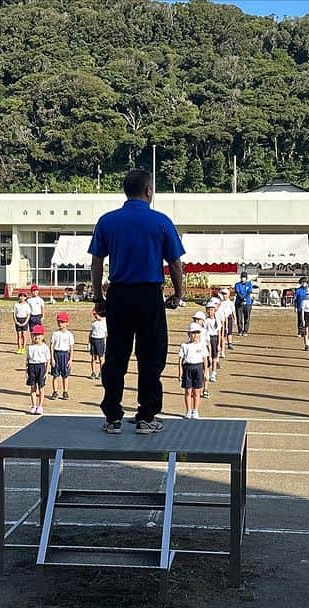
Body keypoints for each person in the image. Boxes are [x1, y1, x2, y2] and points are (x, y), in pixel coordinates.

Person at [89, 168, 185, 435]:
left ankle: (112, 416)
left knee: (116, 355)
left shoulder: (107, 221)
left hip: (119, 293)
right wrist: (178, 294)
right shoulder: (161, 221)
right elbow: (175, 264)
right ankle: (146, 416)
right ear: (149, 191)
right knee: (151, 355)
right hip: (149, 294)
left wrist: (99, 296)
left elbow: (97, 262)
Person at [179, 323, 209, 419]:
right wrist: (180, 373)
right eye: (193, 333)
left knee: (197, 392)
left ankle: (195, 410)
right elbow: (180, 360)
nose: (195, 335)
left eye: (197, 333)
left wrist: (206, 372)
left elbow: (205, 359)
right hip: (188, 368)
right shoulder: (184, 346)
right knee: (188, 391)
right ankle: (188, 410)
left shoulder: (202, 345)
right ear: (189, 334)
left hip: (198, 368)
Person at [49, 311, 74, 400]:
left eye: (63, 322)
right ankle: (55, 391)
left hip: (65, 355)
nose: (60, 323)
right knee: (55, 375)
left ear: (67, 323)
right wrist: (52, 358)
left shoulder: (69, 335)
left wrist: (70, 359)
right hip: (56, 354)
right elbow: (51, 345)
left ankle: (65, 391)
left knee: (65, 375)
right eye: (59, 321)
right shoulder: (55, 333)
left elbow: (71, 348)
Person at [26, 325, 50, 415]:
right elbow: (28, 360)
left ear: (42, 336)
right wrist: (27, 371)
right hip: (32, 367)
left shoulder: (45, 347)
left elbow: (48, 360)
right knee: (33, 387)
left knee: (41, 388)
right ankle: (33, 405)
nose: (36, 337)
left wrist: (46, 372)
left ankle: (40, 406)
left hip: (41, 367)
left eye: (38, 334)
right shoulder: (30, 347)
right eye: (34, 335)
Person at [204, 300, 222, 381]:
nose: (209, 311)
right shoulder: (205, 320)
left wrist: (219, 344)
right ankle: (206, 372)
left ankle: (213, 373)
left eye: (211, 310)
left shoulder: (217, 320)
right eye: (208, 309)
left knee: (214, 357)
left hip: (214, 339)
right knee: (207, 356)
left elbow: (219, 333)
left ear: (215, 311)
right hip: (207, 339)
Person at [88, 307, 107, 380]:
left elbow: (106, 333)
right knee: (93, 358)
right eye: (94, 315)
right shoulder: (93, 323)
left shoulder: (104, 323)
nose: (96, 316)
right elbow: (90, 333)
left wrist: (105, 342)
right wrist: (89, 343)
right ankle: (93, 372)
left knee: (101, 358)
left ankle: (102, 372)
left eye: (97, 314)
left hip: (100, 340)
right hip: (93, 340)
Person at [234, 272, 254, 336]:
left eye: (244, 277)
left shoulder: (249, 284)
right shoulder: (237, 284)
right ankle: (240, 330)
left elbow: (249, 292)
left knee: (247, 317)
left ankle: (245, 331)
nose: (243, 278)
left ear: (246, 278)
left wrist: (245, 299)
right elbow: (237, 292)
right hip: (239, 302)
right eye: (242, 277)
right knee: (239, 317)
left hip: (247, 303)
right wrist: (242, 299)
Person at [217, 288, 236, 353]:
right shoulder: (220, 302)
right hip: (222, 318)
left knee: (229, 331)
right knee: (223, 331)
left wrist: (235, 318)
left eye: (225, 294)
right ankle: (222, 343)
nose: (224, 295)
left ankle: (229, 343)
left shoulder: (230, 303)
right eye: (223, 294)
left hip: (229, 317)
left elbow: (233, 311)